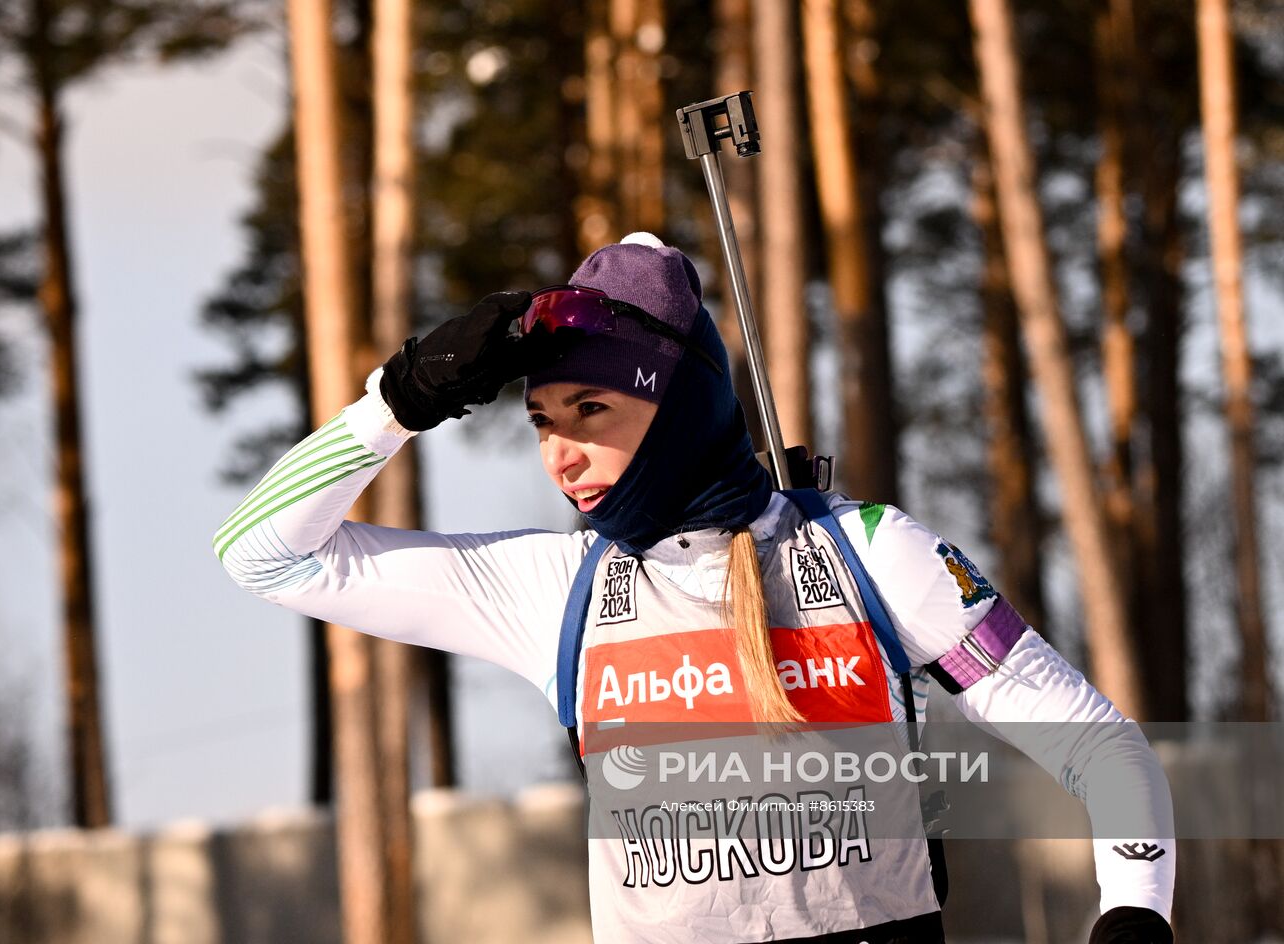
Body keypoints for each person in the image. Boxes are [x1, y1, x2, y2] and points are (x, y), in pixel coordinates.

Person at [213, 233, 1175, 943]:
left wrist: (1135, 915)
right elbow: (259, 551)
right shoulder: (559, 589)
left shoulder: (868, 555)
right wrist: (400, 400)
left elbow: (1100, 747)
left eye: (592, 409)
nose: (562, 453)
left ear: (678, 408)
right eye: (543, 419)